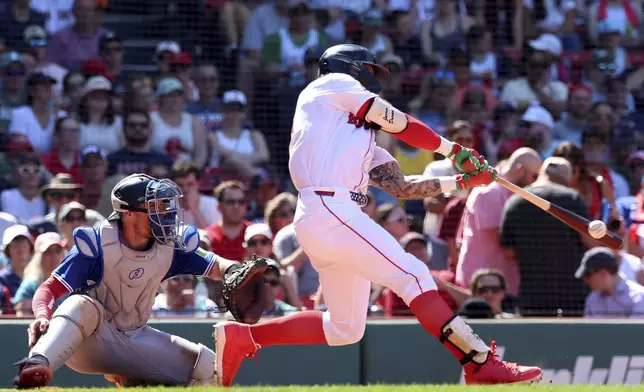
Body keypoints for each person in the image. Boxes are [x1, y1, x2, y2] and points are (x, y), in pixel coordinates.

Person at [213, 44, 543, 386]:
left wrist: (463, 180)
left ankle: (244, 338)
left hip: (329, 217)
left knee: (345, 328)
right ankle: (478, 362)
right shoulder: (330, 85)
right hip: (330, 208)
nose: (373, 79)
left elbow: (401, 187)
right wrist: (454, 150)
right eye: (369, 70)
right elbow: (400, 122)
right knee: (414, 276)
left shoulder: (353, 136)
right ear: (351, 67)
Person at [12, 173, 259, 388]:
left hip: (134, 337)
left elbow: (216, 264)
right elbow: (49, 289)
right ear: (128, 213)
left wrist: (236, 269)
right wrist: (43, 316)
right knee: (80, 304)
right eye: (155, 206)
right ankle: (37, 364)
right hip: (88, 341)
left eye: (164, 205)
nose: (165, 213)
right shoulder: (97, 244)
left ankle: (136, 379)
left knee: (206, 365)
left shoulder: (169, 246)